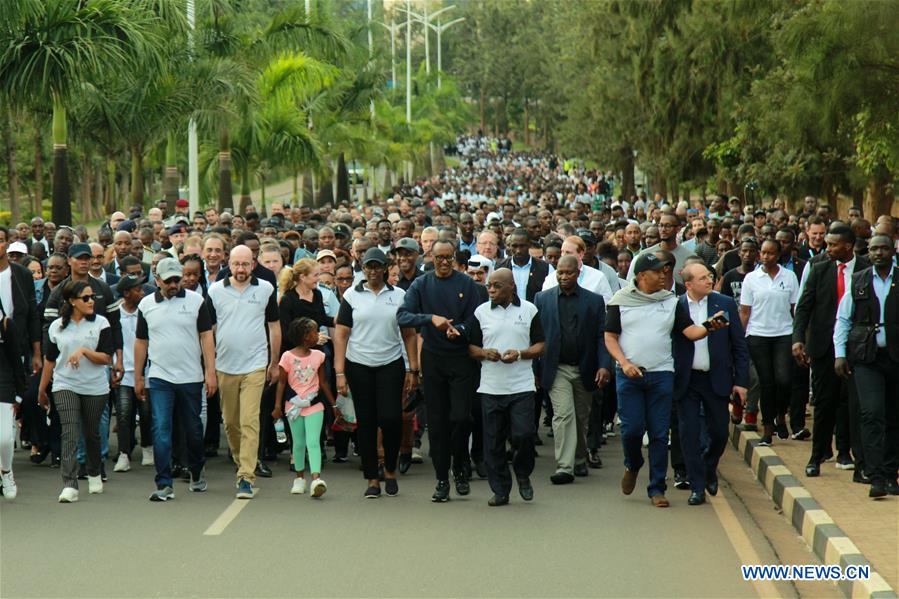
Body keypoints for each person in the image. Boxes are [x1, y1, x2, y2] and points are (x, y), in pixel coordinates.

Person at [605, 253, 727, 508]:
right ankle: (633, 463)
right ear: (641, 276)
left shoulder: (671, 302)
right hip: (629, 375)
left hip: (662, 375)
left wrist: (714, 324)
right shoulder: (620, 301)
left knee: (660, 434)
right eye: (657, 271)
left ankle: (656, 488)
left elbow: (691, 332)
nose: (663, 275)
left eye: (665, 270)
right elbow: (610, 337)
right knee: (632, 431)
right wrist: (624, 363)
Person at [397, 239, 487, 502]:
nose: (444, 262)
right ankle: (441, 480)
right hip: (433, 360)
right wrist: (430, 319)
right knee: (437, 424)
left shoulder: (466, 284)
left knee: (461, 418)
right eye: (439, 258)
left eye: (449, 258)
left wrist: (460, 329)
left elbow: (475, 317)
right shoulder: (421, 284)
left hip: (461, 359)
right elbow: (403, 316)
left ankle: (460, 466)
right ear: (431, 258)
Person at [333, 248, 418, 498]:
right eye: (368, 266)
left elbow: (409, 333)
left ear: (384, 268)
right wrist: (339, 372)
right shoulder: (351, 295)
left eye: (377, 266)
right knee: (367, 422)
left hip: (390, 363)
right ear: (362, 267)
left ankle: (389, 469)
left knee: (391, 419)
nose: (372, 271)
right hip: (358, 365)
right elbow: (341, 333)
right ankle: (372, 478)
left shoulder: (399, 295)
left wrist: (413, 368)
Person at [134, 258, 217, 502]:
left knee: (192, 429)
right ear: (156, 279)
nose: (173, 284)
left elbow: (206, 336)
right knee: (161, 429)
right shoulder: (146, 304)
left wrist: (210, 371)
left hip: (191, 377)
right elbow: (141, 342)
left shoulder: (196, 301)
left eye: (176, 279)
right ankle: (164, 484)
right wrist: (139, 375)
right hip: (160, 377)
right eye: (167, 280)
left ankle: (196, 470)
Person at [793, 224, 869, 476]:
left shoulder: (865, 268)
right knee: (825, 402)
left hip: (858, 347)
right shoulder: (819, 268)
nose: (828, 249)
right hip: (824, 347)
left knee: (852, 403)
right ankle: (817, 456)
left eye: (833, 245)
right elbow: (804, 307)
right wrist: (798, 339)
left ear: (848, 246)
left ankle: (848, 454)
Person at [207, 245, 281, 499]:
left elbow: (274, 326)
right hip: (225, 365)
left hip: (256, 364)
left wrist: (274, 362)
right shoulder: (215, 291)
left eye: (245, 264)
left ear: (253, 264)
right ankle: (243, 462)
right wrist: (209, 364)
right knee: (230, 423)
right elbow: (208, 329)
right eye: (236, 264)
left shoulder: (265, 289)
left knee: (250, 420)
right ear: (229, 263)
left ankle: (245, 476)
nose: (240, 269)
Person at [673, 264, 749, 505]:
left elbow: (738, 345)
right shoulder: (677, 306)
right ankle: (697, 486)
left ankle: (708, 467)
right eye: (703, 278)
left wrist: (741, 382)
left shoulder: (724, 304)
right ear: (689, 284)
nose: (709, 280)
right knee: (689, 433)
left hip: (716, 378)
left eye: (710, 276)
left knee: (718, 432)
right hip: (687, 380)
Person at [467, 268, 545, 506]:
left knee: (523, 436)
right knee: (493, 443)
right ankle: (500, 489)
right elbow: (470, 347)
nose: (490, 289)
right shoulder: (480, 312)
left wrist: (521, 353)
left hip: (521, 386)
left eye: (496, 286)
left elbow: (541, 344)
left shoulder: (529, 310)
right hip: (491, 388)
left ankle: (522, 474)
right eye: (489, 285)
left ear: (511, 286)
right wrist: (483, 353)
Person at [534, 255, 611, 484]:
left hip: (584, 368)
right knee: (563, 415)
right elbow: (536, 337)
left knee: (580, 416)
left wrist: (604, 366)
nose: (564, 276)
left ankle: (579, 458)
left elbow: (601, 336)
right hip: (556, 368)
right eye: (560, 272)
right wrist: (536, 370)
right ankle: (564, 467)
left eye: (568, 272)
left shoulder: (594, 301)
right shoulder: (543, 299)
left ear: (578, 274)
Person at [833, 235, 899, 498]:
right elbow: (843, 320)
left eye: (883, 248)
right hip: (866, 358)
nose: (879, 253)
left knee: (894, 416)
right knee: (871, 414)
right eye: (874, 249)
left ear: (892, 251)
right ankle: (876, 476)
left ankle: (891, 473)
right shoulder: (858, 280)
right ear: (868, 252)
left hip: (895, 358)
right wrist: (840, 354)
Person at [37, 280, 114, 502]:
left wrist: (84, 351)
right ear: (72, 301)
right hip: (65, 384)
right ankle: (69, 485)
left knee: (91, 433)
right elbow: (50, 360)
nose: (91, 302)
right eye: (86, 298)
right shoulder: (57, 327)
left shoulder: (101, 323)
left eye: (92, 297)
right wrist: (42, 389)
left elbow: (107, 358)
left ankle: (94, 471)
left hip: (95, 387)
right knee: (70, 432)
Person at [739, 239, 799, 446]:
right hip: (757, 334)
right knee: (766, 382)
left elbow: (795, 308)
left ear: (778, 254)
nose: (766, 257)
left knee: (783, 379)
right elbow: (745, 311)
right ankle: (767, 429)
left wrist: (799, 337)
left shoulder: (789, 276)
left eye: (771, 253)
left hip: (784, 333)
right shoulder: (751, 279)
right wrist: (740, 336)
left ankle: (780, 415)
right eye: (763, 253)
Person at [273, 317, 336, 498]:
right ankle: (299, 478)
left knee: (313, 442)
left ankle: (316, 479)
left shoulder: (319, 355)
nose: (318, 335)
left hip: (314, 404)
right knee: (298, 443)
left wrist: (333, 404)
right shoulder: (287, 357)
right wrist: (277, 406)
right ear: (305, 336)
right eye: (315, 332)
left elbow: (323, 382)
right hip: (293, 406)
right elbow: (281, 384)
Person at [112, 275, 147, 473]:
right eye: (137, 290)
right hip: (123, 371)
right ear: (126, 293)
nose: (142, 293)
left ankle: (148, 448)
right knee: (124, 414)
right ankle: (124, 454)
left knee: (147, 413)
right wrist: (113, 365)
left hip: (146, 371)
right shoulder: (115, 312)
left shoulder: (146, 309)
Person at [495, 229, 552, 302]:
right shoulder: (499, 267)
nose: (518, 250)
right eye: (514, 246)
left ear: (529, 245)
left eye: (522, 246)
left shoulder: (546, 268)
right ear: (509, 246)